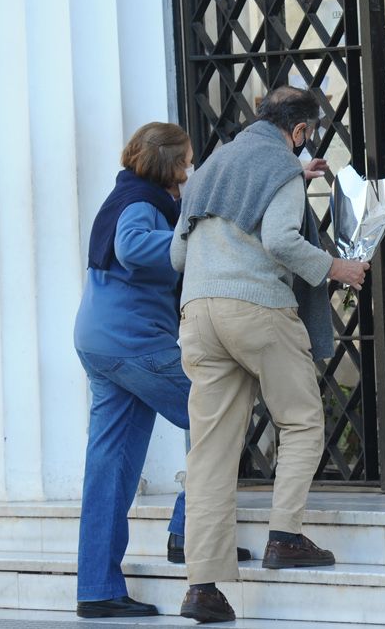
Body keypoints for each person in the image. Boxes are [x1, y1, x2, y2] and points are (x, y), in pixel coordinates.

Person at [170, 86, 369, 623]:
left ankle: (203, 590)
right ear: (300, 132)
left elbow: (177, 251)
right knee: (302, 420)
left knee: (209, 455)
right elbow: (281, 240)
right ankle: (285, 536)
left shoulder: (216, 162)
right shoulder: (280, 165)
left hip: (199, 314)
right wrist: (336, 267)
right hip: (256, 308)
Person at [71, 122, 252, 619]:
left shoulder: (128, 191)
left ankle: (97, 588)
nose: (192, 167)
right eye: (188, 160)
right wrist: (196, 246)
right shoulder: (141, 202)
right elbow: (131, 247)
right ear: (171, 165)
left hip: (101, 341)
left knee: (109, 467)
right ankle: (191, 535)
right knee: (217, 407)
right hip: (133, 345)